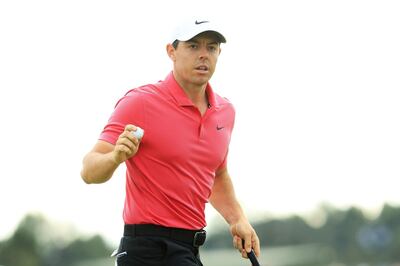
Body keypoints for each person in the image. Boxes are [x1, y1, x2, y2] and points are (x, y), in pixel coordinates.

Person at [80, 18, 260, 266]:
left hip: (189, 249)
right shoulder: (140, 102)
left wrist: (237, 218)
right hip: (146, 250)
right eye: (193, 46)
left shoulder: (225, 111)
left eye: (211, 47)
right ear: (171, 52)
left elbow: (216, 174)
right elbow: (89, 171)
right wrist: (114, 158)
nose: (203, 55)